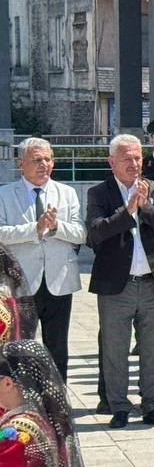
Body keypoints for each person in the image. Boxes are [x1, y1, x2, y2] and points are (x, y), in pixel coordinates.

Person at [87, 134, 154, 429]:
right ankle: (119, 406)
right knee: (115, 348)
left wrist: (145, 205)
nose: (134, 164)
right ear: (112, 162)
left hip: (152, 282)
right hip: (115, 285)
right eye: (127, 158)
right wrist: (128, 211)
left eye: (138, 158)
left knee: (153, 348)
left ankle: (152, 404)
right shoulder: (99, 193)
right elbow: (95, 233)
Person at [0, 138, 85, 380]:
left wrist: (56, 226)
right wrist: (33, 229)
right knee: (19, 348)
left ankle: (57, 405)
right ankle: (24, 401)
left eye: (48, 159)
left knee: (58, 347)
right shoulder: (5, 194)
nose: (44, 165)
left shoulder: (66, 193)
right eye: (37, 160)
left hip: (59, 282)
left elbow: (81, 233)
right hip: (21, 284)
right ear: (21, 164)